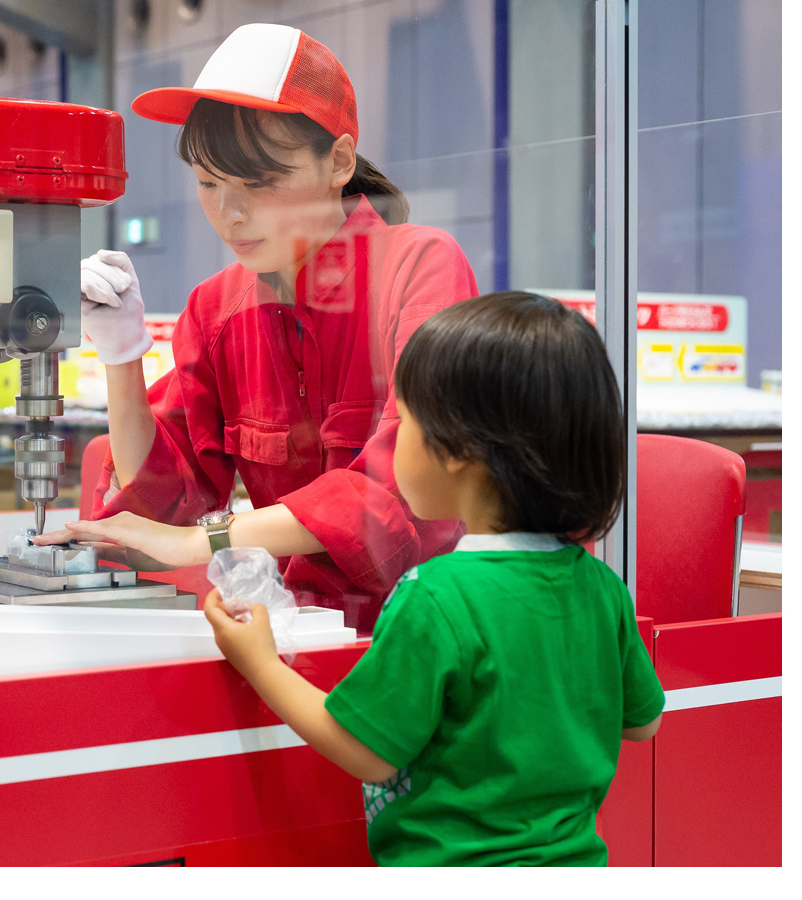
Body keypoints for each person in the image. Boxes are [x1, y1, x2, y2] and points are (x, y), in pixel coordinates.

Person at [37, 23, 479, 632]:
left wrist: (206, 541)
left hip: (432, 633)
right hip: (296, 633)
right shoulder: (215, 309)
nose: (231, 214)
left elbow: (403, 488)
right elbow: (165, 507)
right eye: (208, 183)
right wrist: (121, 355)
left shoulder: (419, 266)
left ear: (339, 162)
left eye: (260, 182)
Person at [203, 292, 666, 866]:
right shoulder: (600, 586)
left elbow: (368, 752)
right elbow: (643, 722)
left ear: (458, 449)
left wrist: (259, 661)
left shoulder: (436, 595)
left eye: (405, 422)